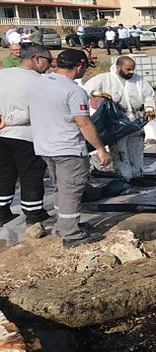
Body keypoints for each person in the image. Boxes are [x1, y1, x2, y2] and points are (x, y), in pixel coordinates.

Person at [27, 49, 110, 248]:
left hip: (44, 147)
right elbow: (84, 123)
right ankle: (71, 233)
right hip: (68, 148)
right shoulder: (74, 91)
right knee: (71, 190)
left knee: (61, 188)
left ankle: (62, 224)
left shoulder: (38, 83)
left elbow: (31, 112)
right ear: (79, 67)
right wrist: (100, 149)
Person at [0, 45, 54, 226]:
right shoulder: (39, 81)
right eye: (48, 61)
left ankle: (2, 212)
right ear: (37, 59)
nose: (50, 66)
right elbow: (35, 111)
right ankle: (34, 213)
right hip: (25, 135)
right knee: (30, 174)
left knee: (5, 173)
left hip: (1, 135)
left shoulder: (3, 74)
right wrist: (9, 120)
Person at [82, 55, 156, 184]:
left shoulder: (139, 80)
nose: (131, 72)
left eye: (133, 69)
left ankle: (137, 175)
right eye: (128, 69)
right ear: (118, 67)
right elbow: (85, 90)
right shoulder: (105, 79)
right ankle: (125, 178)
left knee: (136, 148)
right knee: (120, 150)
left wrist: (149, 108)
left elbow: (149, 95)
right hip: (116, 122)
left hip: (135, 120)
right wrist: (96, 93)